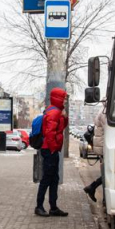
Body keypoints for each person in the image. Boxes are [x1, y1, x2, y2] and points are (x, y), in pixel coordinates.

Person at [35, 88, 69, 217]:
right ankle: (39, 206)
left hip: (51, 150)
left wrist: (65, 118)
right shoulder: (54, 112)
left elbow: (60, 128)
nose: (65, 100)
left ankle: (53, 207)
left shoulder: (55, 111)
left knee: (54, 179)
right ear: (58, 98)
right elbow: (50, 134)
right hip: (49, 150)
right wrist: (54, 148)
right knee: (47, 179)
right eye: (64, 98)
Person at [83, 102, 106, 203]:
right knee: (109, 173)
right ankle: (92, 187)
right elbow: (109, 128)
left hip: (102, 146)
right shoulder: (105, 113)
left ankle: (92, 187)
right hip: (103, 146)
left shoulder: (103, 110)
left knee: (107, 173)